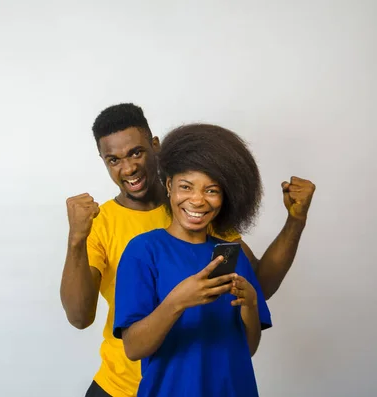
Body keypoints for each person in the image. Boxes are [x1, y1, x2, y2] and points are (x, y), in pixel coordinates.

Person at [60, 104, 315, 397]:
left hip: (199, 384)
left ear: (155, 146)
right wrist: (76, 239)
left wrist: (295, 221)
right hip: (121, 386)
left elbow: (258, 285)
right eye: (113, 159)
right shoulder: (102, 225)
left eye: (136, 153)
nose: (128, 168)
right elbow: (80, 318)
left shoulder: (200, 212)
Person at [113, 123, 270, 397]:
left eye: (211, 190)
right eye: (186, 187)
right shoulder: (144, 250)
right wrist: (178, 301)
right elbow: (133, 348)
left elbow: (248, 348)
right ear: (169, 185)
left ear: (225, 197)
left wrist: (251, 305)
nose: (197, 201)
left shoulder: (231, 253)